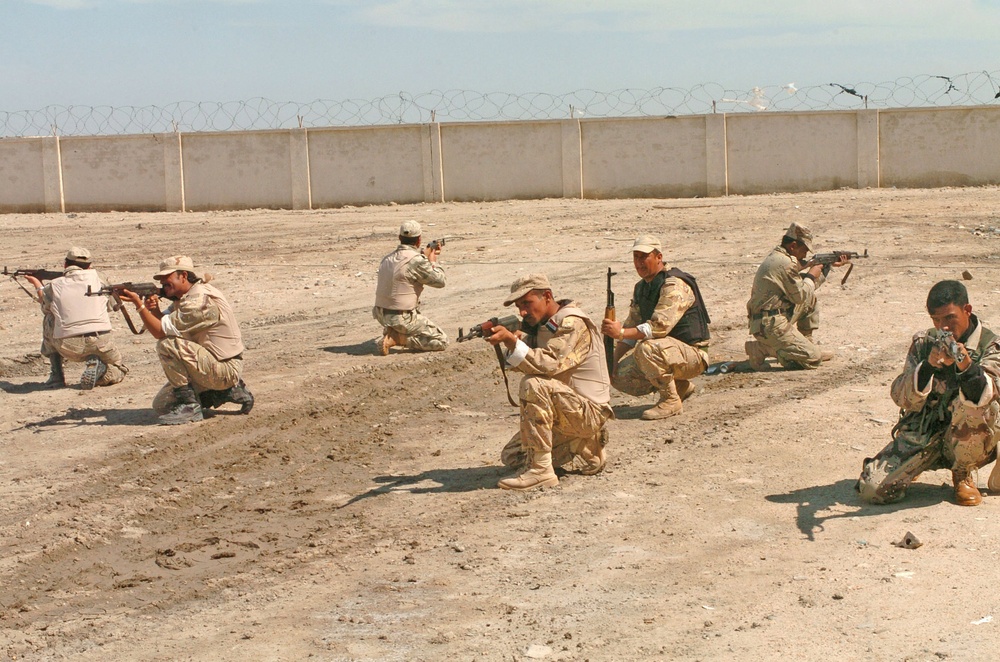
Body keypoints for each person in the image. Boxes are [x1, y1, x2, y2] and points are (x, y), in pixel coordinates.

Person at [858, 281, 1000, 507]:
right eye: (936, 319)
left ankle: (962, 472)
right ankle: (914, 464)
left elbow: (986, 393)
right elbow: (900, 397)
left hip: (972, 436)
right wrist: (928, 367)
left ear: (967, 310)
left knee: (972, 404)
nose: (944, 327)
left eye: (950, 318)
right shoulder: (924, 342)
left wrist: (965, 365)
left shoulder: (991, 346)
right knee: (873, 490)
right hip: (926, 433)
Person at [486, 273, 614, 491]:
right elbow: (527, 360)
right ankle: (585, 445)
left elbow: (548, 364)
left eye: (527, 303)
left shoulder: (571, 322)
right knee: (513, 456)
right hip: (567, 411)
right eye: (519, 306)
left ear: (547, 296)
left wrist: (511, 342)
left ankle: (542, 472)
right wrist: (515, 342)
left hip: (590, 411)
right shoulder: (544, 324)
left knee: (533, 384)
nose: (523, 312)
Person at [119, 255, 253, 425]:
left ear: (183, 276)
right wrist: (153, 309)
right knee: (163, 405)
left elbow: (160, 332)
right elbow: (163, 322)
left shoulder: (199, 302)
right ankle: (224, 392)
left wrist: (139, 305)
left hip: (225, 367)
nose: (163, 284)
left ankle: (191, 406)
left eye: (167, 279)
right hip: (210, 363)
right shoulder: (186, 298)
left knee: (167, 344)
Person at [601, 235, 711, 420]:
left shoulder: (674, 284)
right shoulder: (642, 288)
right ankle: (679, 386)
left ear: (658, 257)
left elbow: (658, 328)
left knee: (647, 348)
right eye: (636, 257)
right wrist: (612, 361)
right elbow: (631, 328)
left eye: (644, 257)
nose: (639, 262)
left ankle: (671, 401)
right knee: (619, 375)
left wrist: (619, 332)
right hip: (669, 353)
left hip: (694, 354)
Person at [744, 222, 845, 370]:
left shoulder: (779, 257)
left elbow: (801, 290)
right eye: (803, 250)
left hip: (770, 318)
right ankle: (762, 348)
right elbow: (800, 295)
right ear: (793, 246)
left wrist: (825, 267)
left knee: (810, 299)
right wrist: (811, 275)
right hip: (768, 324)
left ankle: (804, 343)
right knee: (813, 358)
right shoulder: (786, 263)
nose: (805, 255)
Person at [24, 247, 127, 390]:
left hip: (67, 344)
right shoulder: (100, 278)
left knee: (50, 318)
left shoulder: (54, 285)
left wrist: (37, 284)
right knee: (118, 370)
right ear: (89, 266)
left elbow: (45, 306)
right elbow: (111, 306)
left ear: (65, 264)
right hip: (101, 341)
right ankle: (101, 371)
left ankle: (57, 375)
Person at [373, 220, 448, 355]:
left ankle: (395, 331)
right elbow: (440, 281)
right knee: (441, 341)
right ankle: (398, 338)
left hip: (381, 314)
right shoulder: (416, 260)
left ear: (400, 238)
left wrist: (423, 257)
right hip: (402, 317)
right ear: (419, 240)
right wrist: (432, 260)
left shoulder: (387, 258)